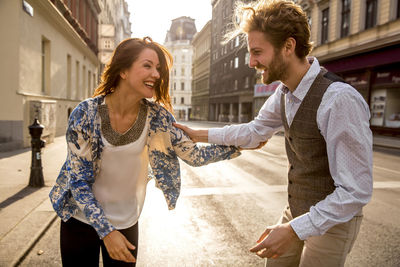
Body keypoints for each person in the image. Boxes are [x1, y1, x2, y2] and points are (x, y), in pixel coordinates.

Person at [174, 0, 373, 266]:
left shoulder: (338, 100)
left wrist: (292, 230)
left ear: (288, 46)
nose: (252, 62)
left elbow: (355, 192)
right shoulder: (284, 93)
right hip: (298, 210)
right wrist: (197, 135)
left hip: (333, 220)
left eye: (257, 52)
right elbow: (254, 131)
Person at [49, 37, 240, 267]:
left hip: (126, 221)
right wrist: (106, 232)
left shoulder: (157, 117)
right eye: (147, 65)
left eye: (158, 68)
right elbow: (78, 180)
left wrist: (239, 144)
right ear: (123, 71)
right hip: (80, 219)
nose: (157, 75)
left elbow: (194, 155)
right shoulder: (86, 113)